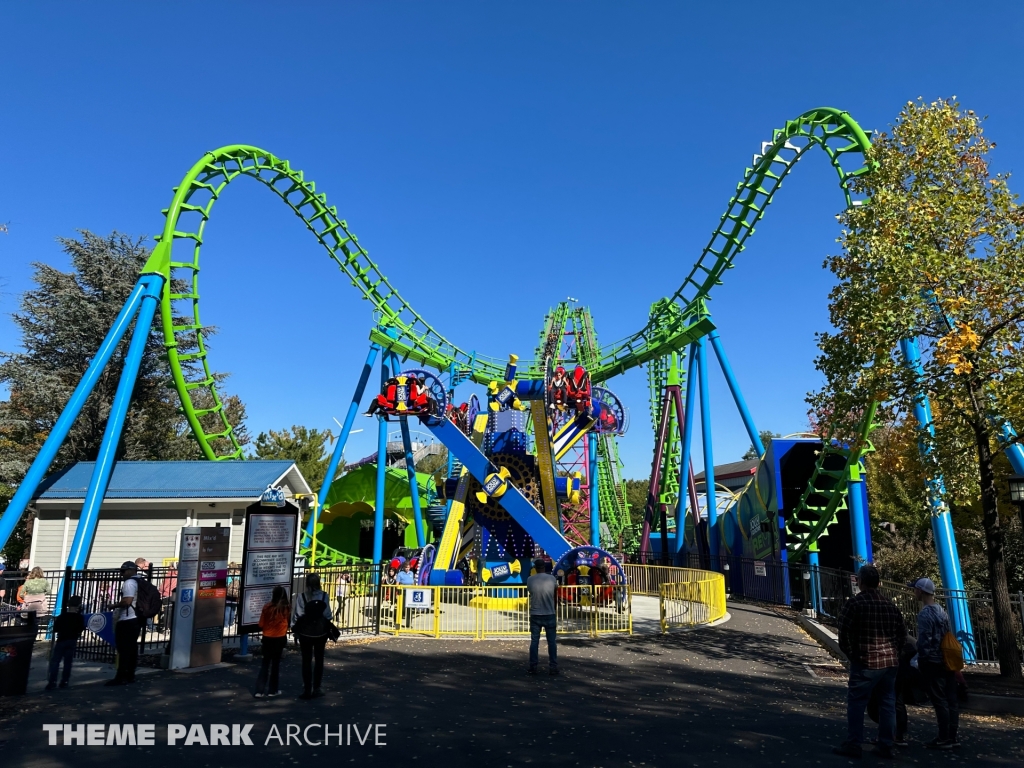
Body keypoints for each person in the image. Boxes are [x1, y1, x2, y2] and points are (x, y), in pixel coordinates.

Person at [833, 565, 906, 759]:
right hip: (890, 662)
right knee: (887, 703)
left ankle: (854, 743)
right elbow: (902, 634)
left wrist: (850, 653)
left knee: (856, 702)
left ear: (860, 582)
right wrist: (895, 652)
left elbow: (843, 630)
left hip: (866, 660)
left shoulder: (855, 604)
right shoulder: (890, 605)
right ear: (879, 583)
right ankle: (885, 744)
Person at [912, 577, 960, 749]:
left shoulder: (925, 614)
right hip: (946, 660)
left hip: (932, 661)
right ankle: (952, 736)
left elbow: (925, 641)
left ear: (921, 591)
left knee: (939, 700)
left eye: (915, 589)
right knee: (951, 700)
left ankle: (943, 737)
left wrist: (921, 660)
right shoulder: (942, 611)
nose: (914, 592)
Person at [867, 636, 920, 747]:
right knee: (895, 700)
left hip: (889, 662)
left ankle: (889, 734)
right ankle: (896, 734)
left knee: (885, 701)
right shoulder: (905, 639)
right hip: (899, 664)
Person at [291, 573, 333, 700]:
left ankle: (307, 688)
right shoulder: (324, 596)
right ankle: (317, 687)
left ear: (307, 584)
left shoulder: (301, 596)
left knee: (306, 660)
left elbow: (298, 614)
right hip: (320, 632)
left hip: (306, 632)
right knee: (319, 659)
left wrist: (295, 628)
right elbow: (328, 614)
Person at [106, 561, 143, 686]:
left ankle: (121, 676)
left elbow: (127, 601)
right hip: (137, 618)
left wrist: (114, 605)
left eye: (123, 571)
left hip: (127, 619)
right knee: (132, 648)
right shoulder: (141, 581)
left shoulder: (129, 583)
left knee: (123, 649)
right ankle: (130, 674)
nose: (121, 574)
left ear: (130, 570)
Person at [254, 586, 290, 699]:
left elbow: (261, 624)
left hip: (267, 637)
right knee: (275, 664)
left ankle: (259, 690)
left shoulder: (267, 607)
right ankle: (272, 690)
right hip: (280, 637)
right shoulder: (286, 608)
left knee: (265, 664)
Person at [526, 559, 558, 675]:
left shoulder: (530, 580)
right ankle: (553, 666)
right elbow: (555, 595)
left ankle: (533, 666)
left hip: (535, 613)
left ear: (535, 567)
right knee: (552, 642)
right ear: (545, 567)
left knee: (534, 641)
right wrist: (554, 609)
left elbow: (531, 592)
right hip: (549, 613)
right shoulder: (552, 579)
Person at [46, 595, 86, 690]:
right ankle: (64, 681)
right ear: (79, 605)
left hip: (61, 639)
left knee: (55, 661)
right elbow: (81, 629)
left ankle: (52, 681)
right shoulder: (79, 617)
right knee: (68, 662)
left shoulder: (62, 616)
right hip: (72, 640)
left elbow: (55, 629)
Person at [224, 563, 240, 629]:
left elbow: (226, 584)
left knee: (227, 610)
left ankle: (225, 625)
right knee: (233, 610)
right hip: (236, 595)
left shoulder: (229, 575)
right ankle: (231, 623)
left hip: (228, 594)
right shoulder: (239, 576)